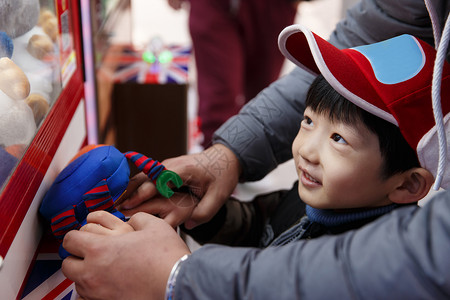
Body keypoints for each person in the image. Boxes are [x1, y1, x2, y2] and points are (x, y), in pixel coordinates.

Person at [61, 0, 450, 298]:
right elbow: (253, 225)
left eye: (339, 140)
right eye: (308, 121)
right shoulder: (306, 201)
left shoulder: (376, 260)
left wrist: (177, 276)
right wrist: (201, 209)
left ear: (409, 185)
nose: (306, 151)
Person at [167, 0, 303, 147]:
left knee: (261, 101)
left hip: (272, 6)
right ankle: (217, 161)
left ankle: (247, 161)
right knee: (219, 100)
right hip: (212, 6)